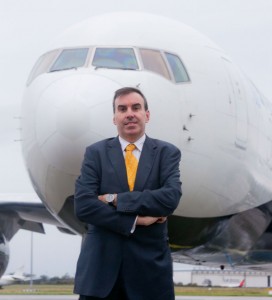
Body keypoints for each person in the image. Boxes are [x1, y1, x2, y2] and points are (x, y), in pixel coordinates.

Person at [74, 87, 182, 300]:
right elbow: (84, 205)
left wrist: (115, 199)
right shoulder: (95, 153)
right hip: (100, 275)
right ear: (114, 118)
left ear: (146, 115)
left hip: (149, 275)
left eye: (136, 107)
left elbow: (169, 198)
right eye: (122, 109)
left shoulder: (166, 153)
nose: (129, 113)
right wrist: (134, 221)